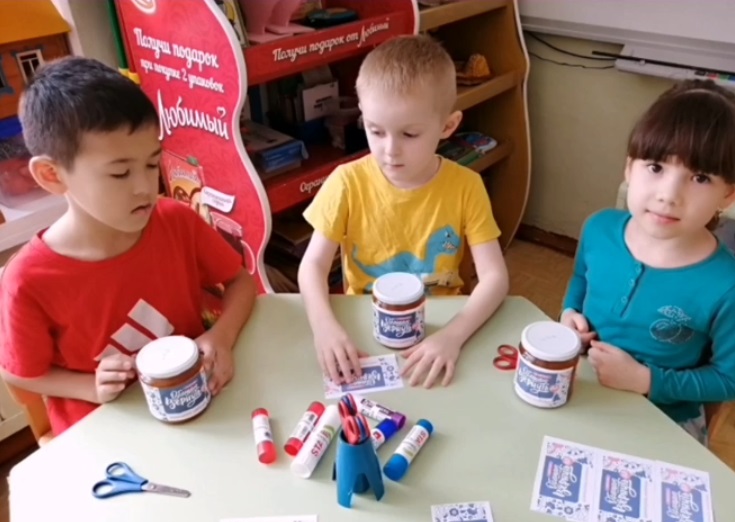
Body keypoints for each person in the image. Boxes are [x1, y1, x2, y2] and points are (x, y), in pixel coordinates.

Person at [0, 57, 256, 436]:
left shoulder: (175, 220)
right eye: (120, 173)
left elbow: (240, 282)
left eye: (152, 165)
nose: (144, 188)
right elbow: (20, 372)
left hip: (195, 404)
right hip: (105, 431)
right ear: (52, 175)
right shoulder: (28, 280)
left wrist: (221, 336)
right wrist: (90, 387)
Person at [298, 35, 508, 389]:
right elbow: (312, 266)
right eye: (375, 131)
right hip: (366, 329)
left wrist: (452, 336)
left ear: (448, 126)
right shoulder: (346, 182)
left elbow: (495, 277)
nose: (390, 150)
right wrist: (324, 328)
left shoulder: (467, 186)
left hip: (442, 331)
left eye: (409, 134)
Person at [561, 79, 735, 445]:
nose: (669, 195)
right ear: (629, 168)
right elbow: (581, 279)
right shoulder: (599, 228)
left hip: (664, 421)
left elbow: (732, 380)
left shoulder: (732, 287)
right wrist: (570, 311)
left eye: (699, 177)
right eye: (655, 167)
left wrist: (646, 380)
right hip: (582, 390)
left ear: (729, 193)